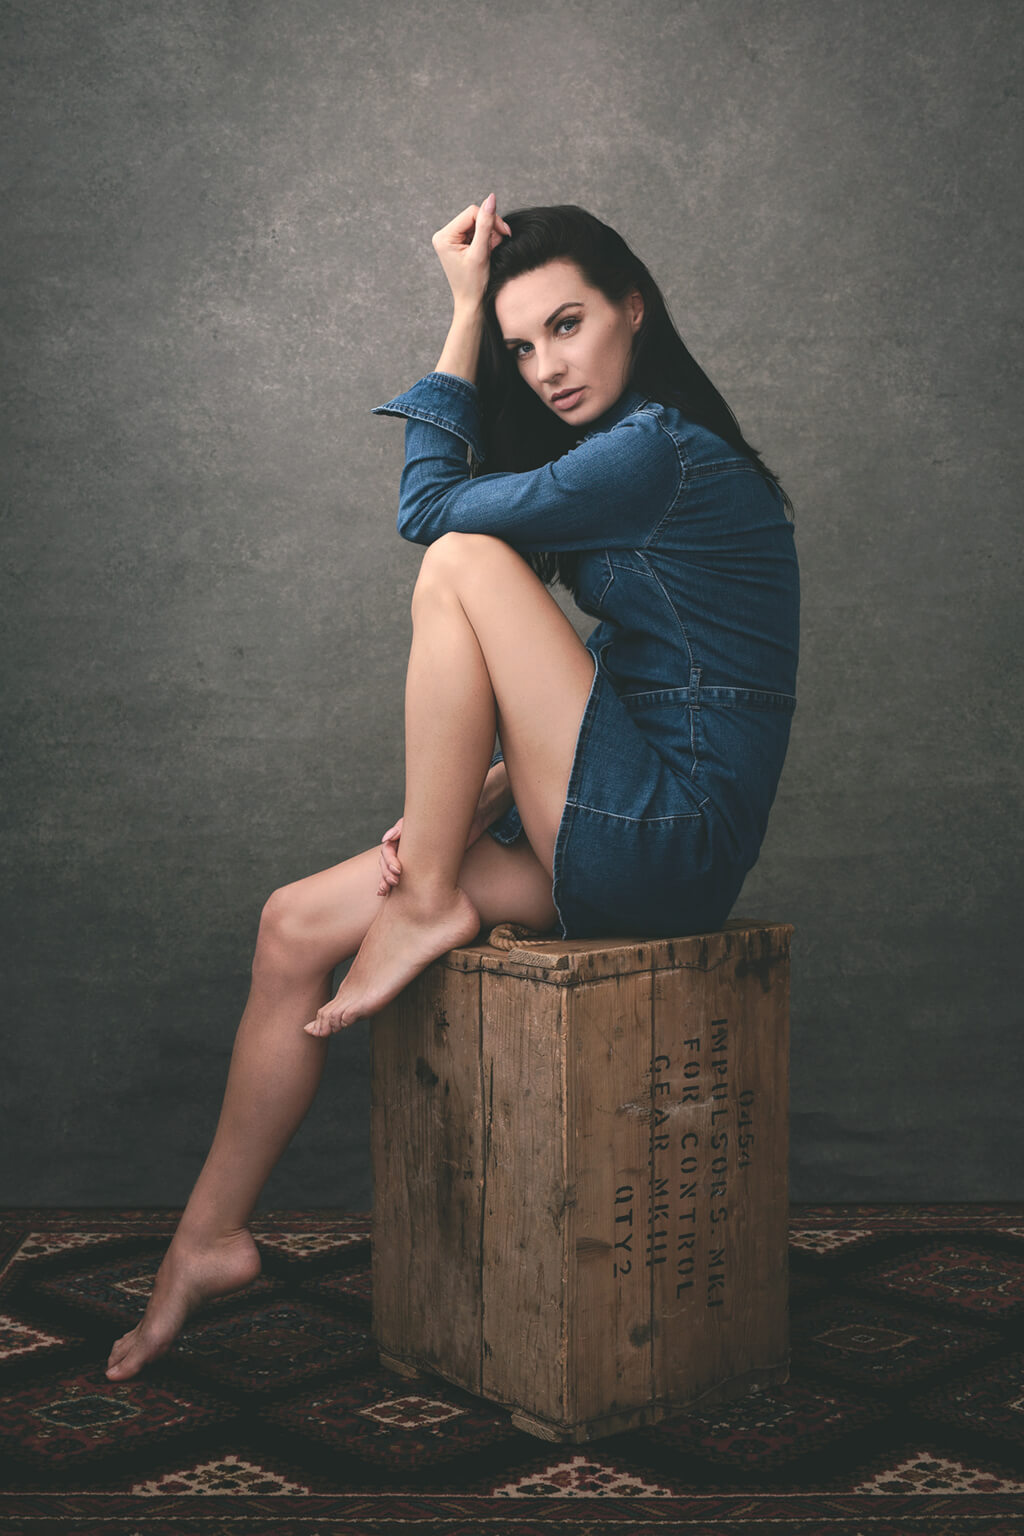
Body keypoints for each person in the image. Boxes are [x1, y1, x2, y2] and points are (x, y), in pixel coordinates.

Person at [106, 195, 799, 1382]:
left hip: (665, 838)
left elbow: (429, 514)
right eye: (519, 348)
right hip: (613, 822)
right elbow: (623, 680)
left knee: (464, 558)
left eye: (567, 326)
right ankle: (205, 1243)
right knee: (292, 926)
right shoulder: (626, 459)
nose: (546, 369)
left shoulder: (658, 450)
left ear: (634, 308)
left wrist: (464, 307)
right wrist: (476, 796)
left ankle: (426, 897)